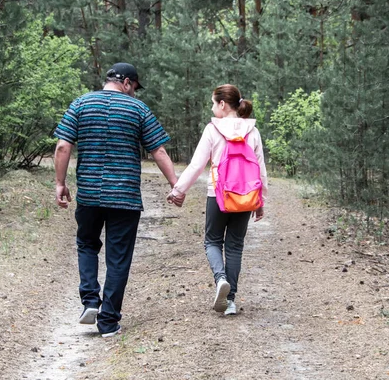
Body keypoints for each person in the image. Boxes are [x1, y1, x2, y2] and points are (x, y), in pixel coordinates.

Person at [53, 62, 183, 337]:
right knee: (118, 258)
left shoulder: (80, 104)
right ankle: (108, 321)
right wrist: (176, 185)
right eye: (134, 87)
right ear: (125, 82)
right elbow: (158, 150)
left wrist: (60, 183)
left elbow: (63, 145)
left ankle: (90, 301)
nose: (134, 92)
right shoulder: (138, 110)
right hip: (124, 197)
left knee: (87, 245)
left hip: (89, 194)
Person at [167, 84, 267, 316]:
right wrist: (260, 200)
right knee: (235, 246)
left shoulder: (213, 130)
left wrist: (178, 190)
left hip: (219, 195)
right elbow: (260, 169)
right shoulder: (252, 130)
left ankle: (220, 278)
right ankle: (230, 301)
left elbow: (196, 165)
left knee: (212, 241)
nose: (212, 108)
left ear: (222, 104)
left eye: (213, 103)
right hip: (245, 197)